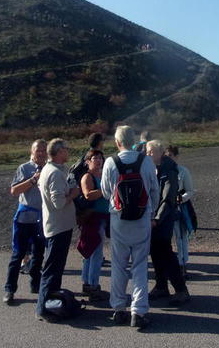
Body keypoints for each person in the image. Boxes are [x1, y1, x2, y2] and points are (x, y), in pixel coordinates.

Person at [101, 125, 159, 330]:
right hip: (142, 218)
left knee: (118, 264)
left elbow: (107, 192)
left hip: (119, 219)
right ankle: (139, 311)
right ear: (133, 140)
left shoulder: (110, 162)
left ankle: (118, 309)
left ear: (117, 142)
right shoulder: (146, 161)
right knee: (140, 265)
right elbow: (154, 189)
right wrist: (150, 211)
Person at [35, 138, 80, 321]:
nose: (68, 151)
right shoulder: (54, 173)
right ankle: (43, 308)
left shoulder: (53, 170)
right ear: (59, 152)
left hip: (58, 225)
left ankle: (52, 304)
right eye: (66, 149)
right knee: (51, 268)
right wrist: (74, 193)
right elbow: (59, 202)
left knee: (55, 268)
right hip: (58, 227)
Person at [146, 140, 191, 306]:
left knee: (165, 253)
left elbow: (168, 198)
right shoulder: (154, 168)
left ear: (159, 153)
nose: (148, 154)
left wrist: (157, 218)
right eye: (147, 152)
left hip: (163, 219)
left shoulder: (169, 170)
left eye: (151, 152)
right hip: (154, 219)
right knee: (155, 252)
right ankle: (161, 286)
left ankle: (181, 289)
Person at [3, 139, 47, 305]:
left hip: (42, 219)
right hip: (25, 217)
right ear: (32, 151)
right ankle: (9, 289)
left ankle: (35, 285)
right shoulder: (24, 168)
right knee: (18, 255)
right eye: (38, 150)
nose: (41, 153)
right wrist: (33, 180)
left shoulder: (50, 168)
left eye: (44, 150)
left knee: (38, 255)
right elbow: (14, 191)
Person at [77, 149, 110, 302]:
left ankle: (88, 283)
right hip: (92, 219)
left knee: (92, 252)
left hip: (103, 217)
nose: (98, 160)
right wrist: (105, 190)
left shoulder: (103, 175)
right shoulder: (87, 176)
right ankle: (92, 285)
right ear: (87, 161)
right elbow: (88, 194)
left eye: (100, 158)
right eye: (94, 158)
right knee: (94, 252)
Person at [165, 145, 196, 278]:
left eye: (171, 156)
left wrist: (180, 199)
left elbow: (190, 190)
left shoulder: (183, 171)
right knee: (164, 238)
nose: (168, 158)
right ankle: (165, 266)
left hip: (179, 207)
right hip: (164, 208)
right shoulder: (160, 171)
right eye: (166, 156)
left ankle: (182, 264)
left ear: (176, 157)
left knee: (181, 237)